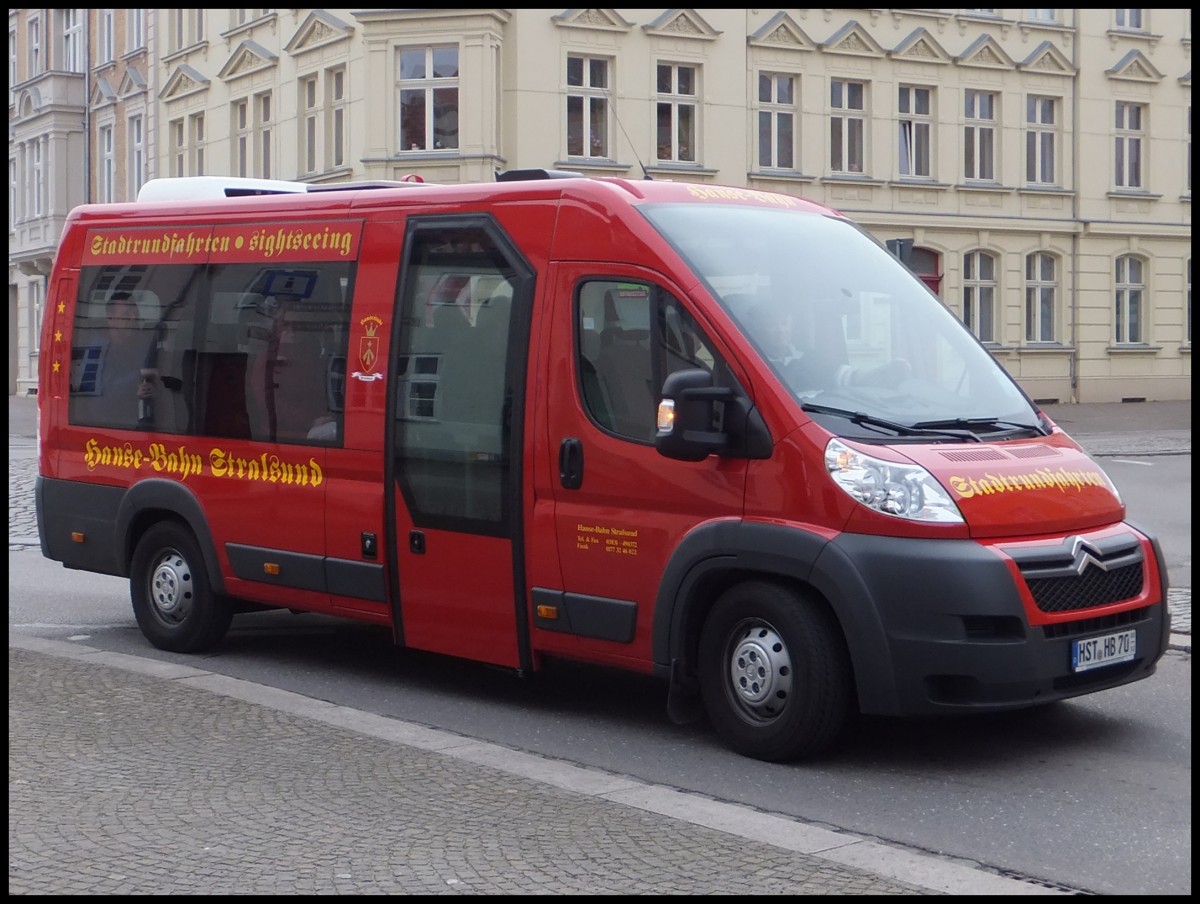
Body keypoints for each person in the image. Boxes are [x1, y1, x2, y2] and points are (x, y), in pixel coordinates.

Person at [748, 300, 910, 393]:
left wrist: (881, 371)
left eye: (784, 323)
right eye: (771, 325)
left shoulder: (808, 357)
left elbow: (844, 376)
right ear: (758, 328)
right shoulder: (755, 363)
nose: (781, 331)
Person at [104, 292, 159, 427]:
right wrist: (137, 380)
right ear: (111, 319)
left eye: (136, 313)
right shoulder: (99, 349)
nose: (134, 318)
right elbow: (104, 391)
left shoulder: (145, 346)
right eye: (127, 314)